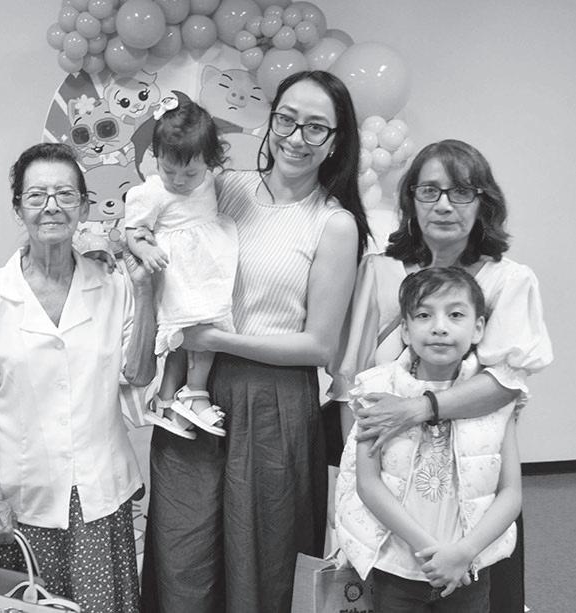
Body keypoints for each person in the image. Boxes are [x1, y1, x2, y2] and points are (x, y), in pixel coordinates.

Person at [140, 70, 372, 612]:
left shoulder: (333, 224)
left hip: (274, 407)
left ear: (336, 140)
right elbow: (154, 215)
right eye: (286, 120)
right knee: (182, 546)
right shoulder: (223, 187)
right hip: (193, 394)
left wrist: (218, 338)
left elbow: (319, 346)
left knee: (263, 558)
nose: (296, 138)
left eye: (315, 127)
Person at [329, 139, 553, 612]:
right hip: (391, 499)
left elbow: (505, 385)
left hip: (474, 498)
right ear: (410, 199)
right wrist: (351, 502)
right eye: (429, 190)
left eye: (461, 191)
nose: (444, 204)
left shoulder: (508, 281)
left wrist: (417, 409)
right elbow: (354, 379)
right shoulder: (382, 272)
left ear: (483, 202)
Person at [0, 143, 156, 613]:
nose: (52, 206)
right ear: (18, 209)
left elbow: (140, 373)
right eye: (37, 195)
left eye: (66, 194)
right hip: (22, 496)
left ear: (84, 207)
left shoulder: (113, 285)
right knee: (27, 603)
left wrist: (145, 291)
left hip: (98, 492)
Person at [336, 267, 521, 612]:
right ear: (405, 330)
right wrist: (432, 553)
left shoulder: (494, 397)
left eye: (455, 315)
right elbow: (368, 483)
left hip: (467, 569)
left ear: (478, 327)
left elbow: (511, 492)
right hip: (397, 568)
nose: (439, 327)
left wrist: (463, 553)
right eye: (423, 315)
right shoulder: (376, 389)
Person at [126, 97, 238, 439]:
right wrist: (145, 250)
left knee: (195, 331)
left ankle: (166, 399)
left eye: (190, 173)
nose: (178, 180)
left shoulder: (210, 180)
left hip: (207, 265)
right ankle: (195, 393)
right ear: (156, 158)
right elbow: (133, 231)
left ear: (209, 161)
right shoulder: (151, 192)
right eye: (168, 170)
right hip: (178, 271)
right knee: (199, 329)